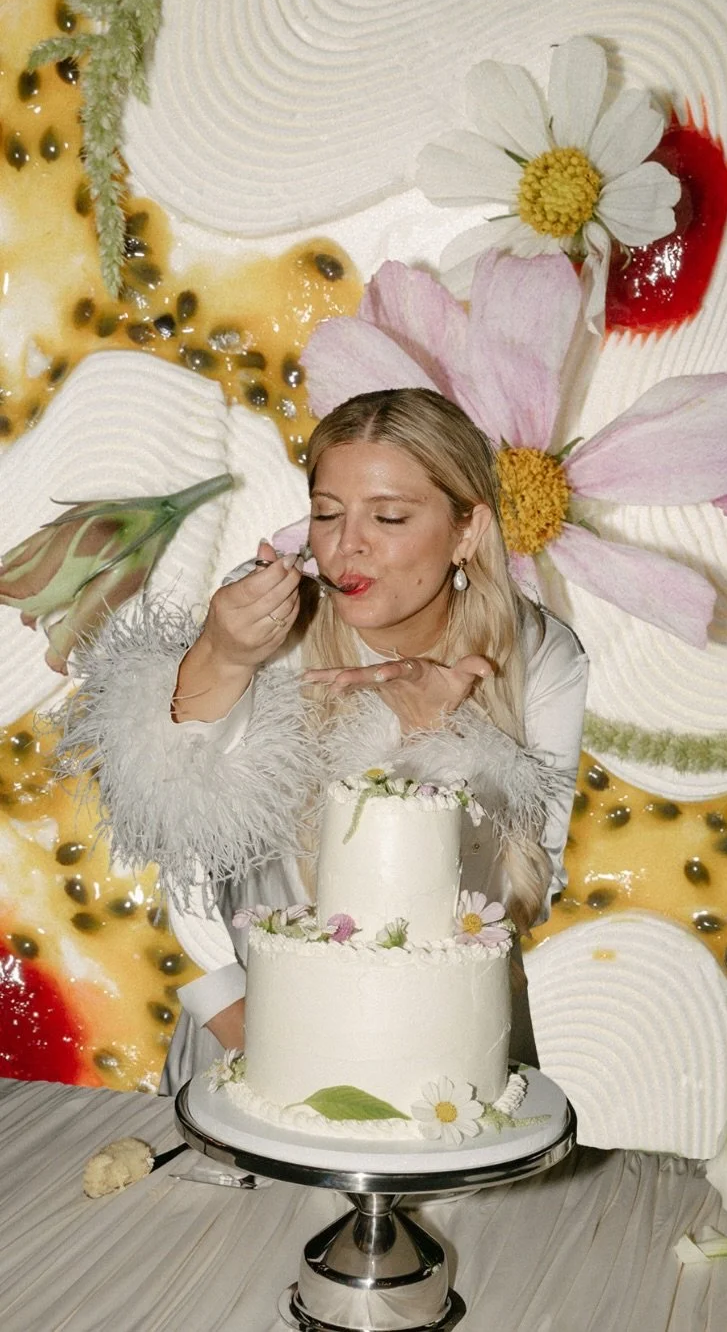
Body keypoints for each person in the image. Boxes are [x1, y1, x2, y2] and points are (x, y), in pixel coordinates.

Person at [57, 388, 588, 1092]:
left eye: (390, 516)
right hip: (247, 1024)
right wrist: (221, 654)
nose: (346, 545)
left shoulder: (540, 655)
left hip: (442, 1050)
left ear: (467, 530)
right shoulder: (270, 617)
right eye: (327, 514)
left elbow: (527, 887)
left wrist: (431, 744)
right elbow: (174, 826)